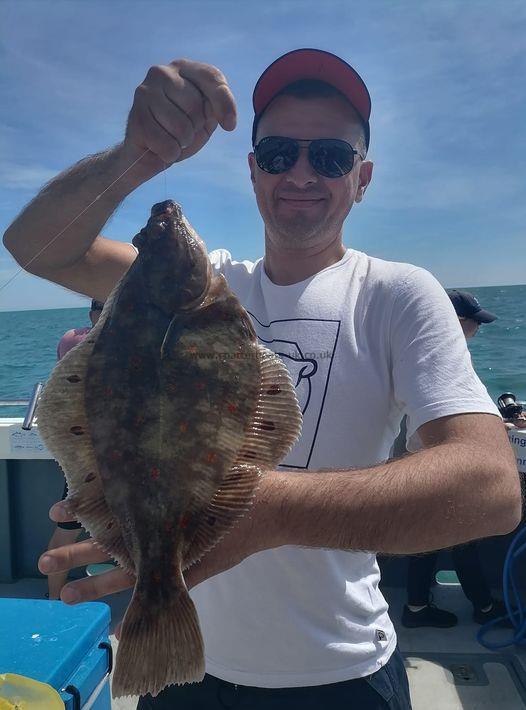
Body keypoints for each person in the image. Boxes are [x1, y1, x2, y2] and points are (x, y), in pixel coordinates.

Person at [3, 49, 521, 710]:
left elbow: (492, 487)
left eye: (330, 157)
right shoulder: (199, 288)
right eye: (279, 154)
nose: (302, 172)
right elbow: (37, 245)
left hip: (344, 672)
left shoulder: (396, 294)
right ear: (252, 171)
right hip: (188, 671)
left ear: (362, 178)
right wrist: (137, 155)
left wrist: (266, 509)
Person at [402, 290, 511, 629]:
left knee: (432, 539)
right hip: (439, 461)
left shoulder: (420, 352)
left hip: (421, 457)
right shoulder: (445, 357)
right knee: (462, 537)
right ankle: (482, 607)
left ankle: (418, 606)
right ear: (455, 323)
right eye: (474, 322)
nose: (478, 329)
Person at [45, 299, 104, 600]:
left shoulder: (70, 339)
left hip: (89, 452)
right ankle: (54, 600)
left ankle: (53, 599)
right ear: (92, 313)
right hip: (88, 456)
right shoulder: (82, 342)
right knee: (69, 522)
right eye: (103, 305)